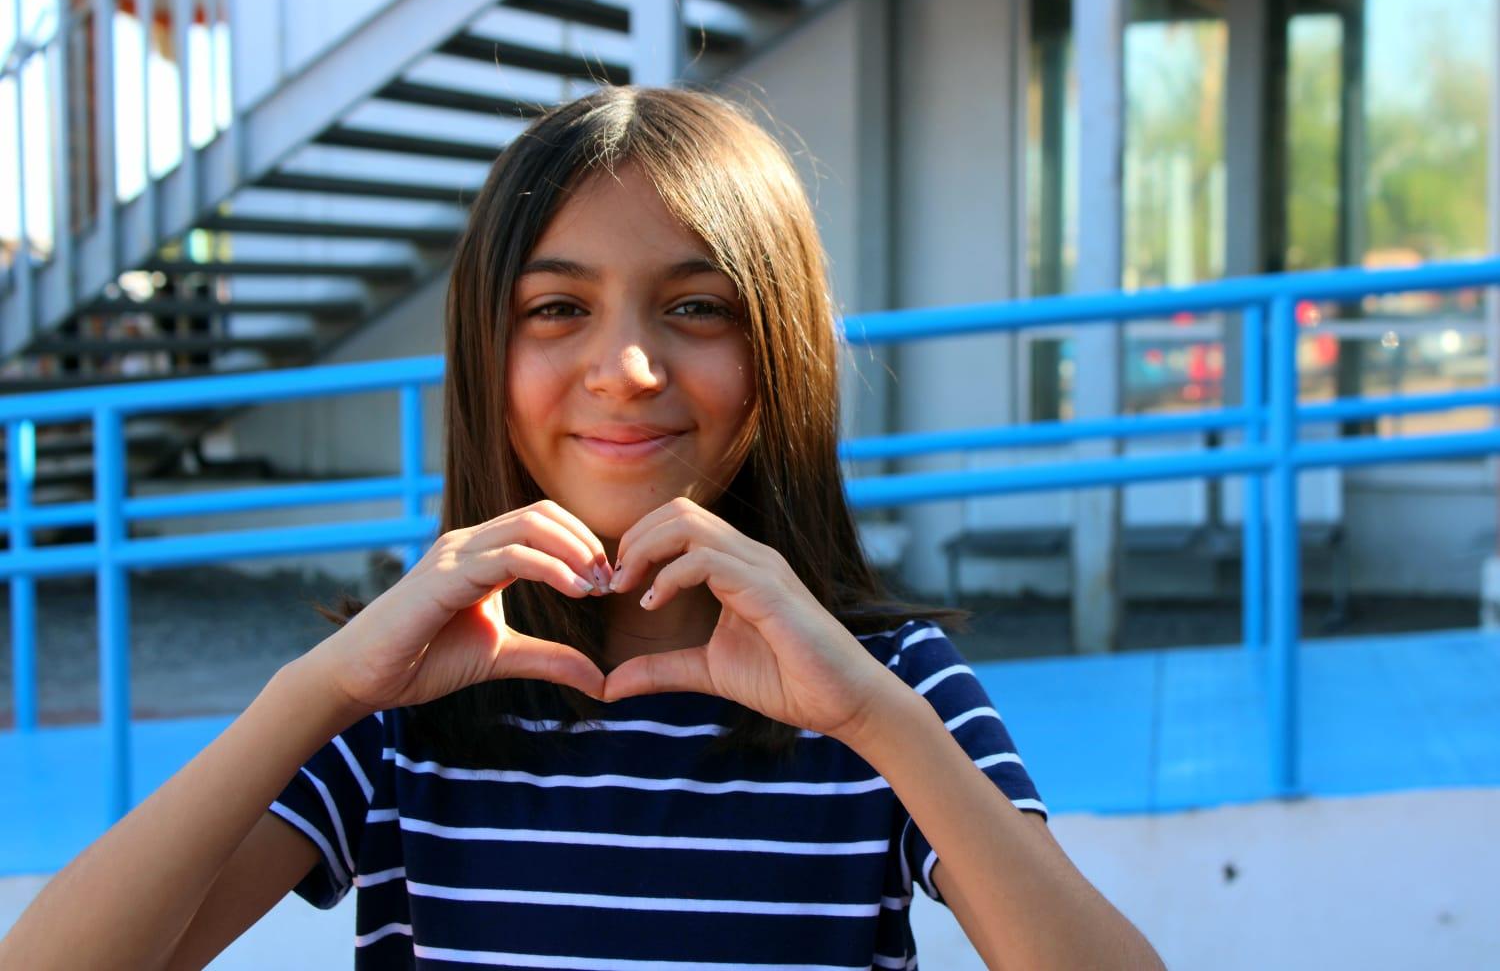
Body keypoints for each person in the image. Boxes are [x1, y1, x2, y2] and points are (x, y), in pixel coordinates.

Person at [0, 85, 1164, 970]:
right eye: (557, 309)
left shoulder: (886, 682)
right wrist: (321, 690)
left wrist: (875, 719)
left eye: (697, 307)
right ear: (486, 361)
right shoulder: (401, 696)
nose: (628, 369)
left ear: (782, 353)